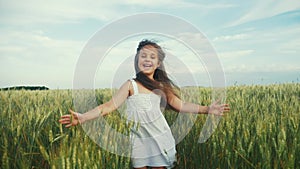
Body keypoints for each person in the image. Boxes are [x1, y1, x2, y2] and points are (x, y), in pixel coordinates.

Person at [59, 39, 230, 169]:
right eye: (143, 55)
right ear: (137, 60)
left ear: (158, 63)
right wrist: (82, 117)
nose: (147, 59)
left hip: (159, 140)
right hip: (138, 142)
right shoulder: (130, 85)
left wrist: (207, 109)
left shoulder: (162, 86)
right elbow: (108, 106)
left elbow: (181, 105)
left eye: (152, 57)